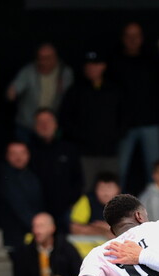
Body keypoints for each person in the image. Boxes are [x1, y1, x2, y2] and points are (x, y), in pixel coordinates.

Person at [107, 22, 159, 187]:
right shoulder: (115, 62)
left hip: (150, 122)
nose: (132, 40)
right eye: (129, 36)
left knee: (155, 172)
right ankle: (116, 209)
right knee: (119, 171)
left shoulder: (152, 60)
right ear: (123, 38)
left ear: (142, 38)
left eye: (136, 36)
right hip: (125, 125)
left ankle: (155, 210)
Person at [60, 51, 122, 190]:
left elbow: (125, 116)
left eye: (95, 64)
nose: (91, 68)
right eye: (88, 65)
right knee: (85, 190)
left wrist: (114, 135)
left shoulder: (114, 89)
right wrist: (81, 137)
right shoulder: (76, 90)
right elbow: (65, 119)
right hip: (85, 154)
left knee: (111, 193)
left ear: (103, 66)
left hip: (109, 152)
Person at [28, 108, 83, 234]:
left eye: (48, 121)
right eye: (40, 122)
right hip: (36, 212)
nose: (45, 125)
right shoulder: (27, 151)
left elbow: (78, 179)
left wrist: (71, 203)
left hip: (64, 211)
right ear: (35, 126)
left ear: (56, 124)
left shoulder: (68, 149)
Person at [7, 43, 74, 143]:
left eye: (47, 57)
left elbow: (70, 96)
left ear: (55, 57)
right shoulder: (29, 71)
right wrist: (12, 92)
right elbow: (15, 88)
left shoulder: (65, 72)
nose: (43, 61)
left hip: (53, 125)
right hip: (28, 123)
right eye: (41, 57)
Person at [0, 140, 43, 250]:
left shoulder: (32, 175)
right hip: (14, 236)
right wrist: (38, 225)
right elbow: (18, 205)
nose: (18, 157)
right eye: (14, 153)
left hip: (30, 233)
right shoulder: (5, 177)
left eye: (22, 153)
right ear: (7, 156)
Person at [70, 172, 120, 239]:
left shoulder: (128, 203)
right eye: (102, 188)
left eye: (109, 188)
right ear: (95, 189)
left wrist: (107, 227)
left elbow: (132, 230)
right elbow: (74, 228)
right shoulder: (86, 200)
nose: (106, 192)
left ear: (118, 189)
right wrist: (103, 231)